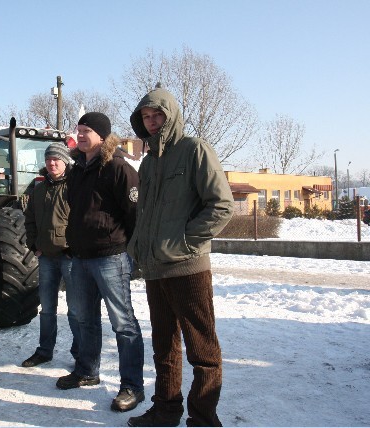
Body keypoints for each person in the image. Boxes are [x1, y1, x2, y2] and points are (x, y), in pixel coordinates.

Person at [126, 87, 234, 427]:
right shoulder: (148, 163)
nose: (152, 121)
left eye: (158, 115)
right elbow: (145, 214)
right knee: (164, 348)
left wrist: (185, 242)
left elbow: (221, 206)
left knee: (202, 350)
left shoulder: (194, 150)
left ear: (171, 115)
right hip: (156, 270)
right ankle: (166, 409)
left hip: (188, 269)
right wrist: (138, 248)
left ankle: (203, 418)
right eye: (146, 116)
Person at [56, 112, 145, 413]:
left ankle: (132, 386)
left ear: (103, 136)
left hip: (111, 257)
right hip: (80, 257)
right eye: (78, 130)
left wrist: (131, 253)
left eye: (87, 131)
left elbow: (135, 214)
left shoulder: (118, 167)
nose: (80, 135)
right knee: (84, 319)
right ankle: (87, 371)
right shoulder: (76, 169)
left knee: (123, 323)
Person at [22, 142, 80, 367]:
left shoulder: (75, 186)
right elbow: (29, 220)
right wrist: (33, 244)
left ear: (65, 161)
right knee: (47, 310)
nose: (51, 163)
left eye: (56, 159)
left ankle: (80, 354)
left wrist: (74, 248)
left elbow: (83, 219)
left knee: (75, 311)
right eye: (48, 160)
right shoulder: (38, 189)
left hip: (69, 257)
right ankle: (45, 351)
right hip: (46, 257)